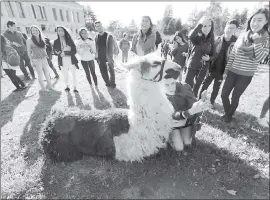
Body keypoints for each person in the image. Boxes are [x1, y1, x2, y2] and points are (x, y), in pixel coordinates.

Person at [221, 8, 269, 123]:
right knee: (223, 94)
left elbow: (261, 57)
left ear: (266, 22)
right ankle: (229, 112)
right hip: (232, 72)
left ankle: (228, 116)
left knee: (235, 97)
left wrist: (257, 42)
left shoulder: (266, 39)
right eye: (254, 19)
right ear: (250, 20)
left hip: (246, 75)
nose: (255, 23)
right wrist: (226, 71)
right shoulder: (243, 35)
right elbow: (233, 54)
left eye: (260, 20)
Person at [161, 67, 208, 152]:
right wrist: (188, 112)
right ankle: (168, 137)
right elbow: (172, 114)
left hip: (185, 122)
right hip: (171, 125)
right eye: (167, 85)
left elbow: (193, 103)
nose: (171, 87)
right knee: (179, 148)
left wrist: (200, 104)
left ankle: (181, 134)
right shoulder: (159, 95)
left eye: (173, 83)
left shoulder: (184, 87)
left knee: (187, 143)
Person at [198, 20, 238, 107]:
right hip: (211, 68)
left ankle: (211, 102)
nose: (230, 30)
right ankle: (199, 100)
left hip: (223, 72)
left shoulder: (237, 43)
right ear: (225, 28)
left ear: (236, 30)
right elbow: (210, 53)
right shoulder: (216, 39)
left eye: (232, 28)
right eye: (228, 27)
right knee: (205, 85)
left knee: (216, 88)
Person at [185, 17, 215, 97]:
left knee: (196, 88)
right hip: (192, 66)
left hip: (203, 68)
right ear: (200, 26)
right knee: (187, 86)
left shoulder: (212, 39)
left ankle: (194, 105)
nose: (207, 28)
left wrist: (209, 58)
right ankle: (185, 104)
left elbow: (214, 55)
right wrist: (200, 23)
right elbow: (191, 36)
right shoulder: (196, 38)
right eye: (204, 26)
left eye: (209, 26)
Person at [26, 25, 53, 91]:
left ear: (38, 31)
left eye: (36, 30)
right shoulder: (29, 40)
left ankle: (50, 87)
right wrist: (31, 61)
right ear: (31, 32)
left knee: (47, 73)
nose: (35, 32)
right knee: (40, 75)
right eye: (33, 31)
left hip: (44, 59)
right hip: (36, 60)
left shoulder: (42, 38)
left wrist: (46, 55)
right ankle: (43, 89)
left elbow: (44, 48)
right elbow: (29, 52)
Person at [54, 26, 79, 92]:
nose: (60, 32)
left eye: (62, 30)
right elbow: (55, 51)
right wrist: (57, 52)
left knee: (73, 74)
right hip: (62, 61)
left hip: (71, 60)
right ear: (57, 32)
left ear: (64, 31)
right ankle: (67, 86)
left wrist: (66, 53)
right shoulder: (56, 41)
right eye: (59, 30)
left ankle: (75, 87)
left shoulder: (69, 40)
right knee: (65, 74)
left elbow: (74, 51)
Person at [94, 21, 116, 88]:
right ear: (95, 28)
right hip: (100, 58)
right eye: (97, 26)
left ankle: (112, 83)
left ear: (102, 26)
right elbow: (96, 47)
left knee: (111, 71)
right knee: (103, 71)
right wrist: (96, 56)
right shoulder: (96, 37)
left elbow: (112, 48)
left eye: (99, 25)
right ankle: (107, 82)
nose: (98, 27)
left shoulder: (109, 36)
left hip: (108, 57)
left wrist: (110, 57)